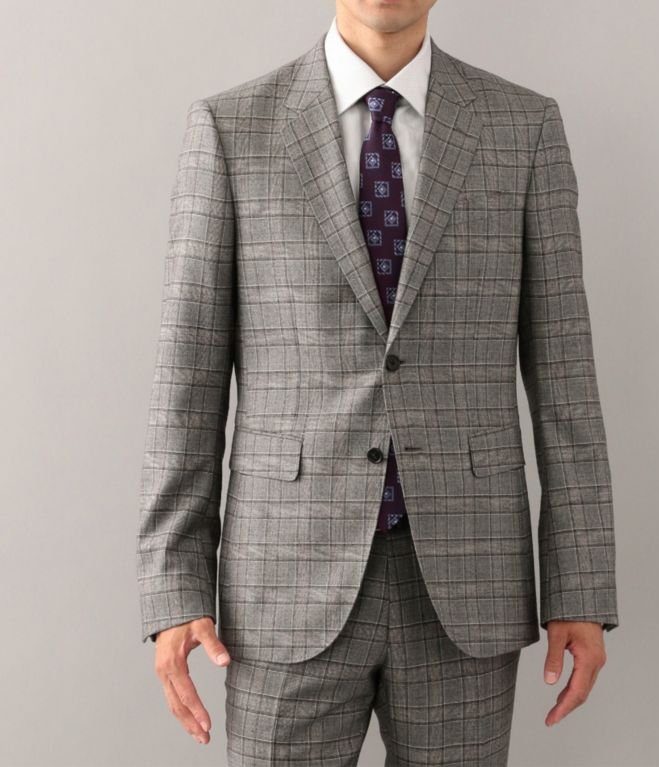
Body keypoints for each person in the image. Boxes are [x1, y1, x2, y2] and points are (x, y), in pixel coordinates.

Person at [136, 1, 619, 763]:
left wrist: (579, 586)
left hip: (466, 574)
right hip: (283, 582)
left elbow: (565, 377)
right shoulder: (232, 129)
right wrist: (175, 586)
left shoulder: (520, 128)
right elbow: (187, 379)